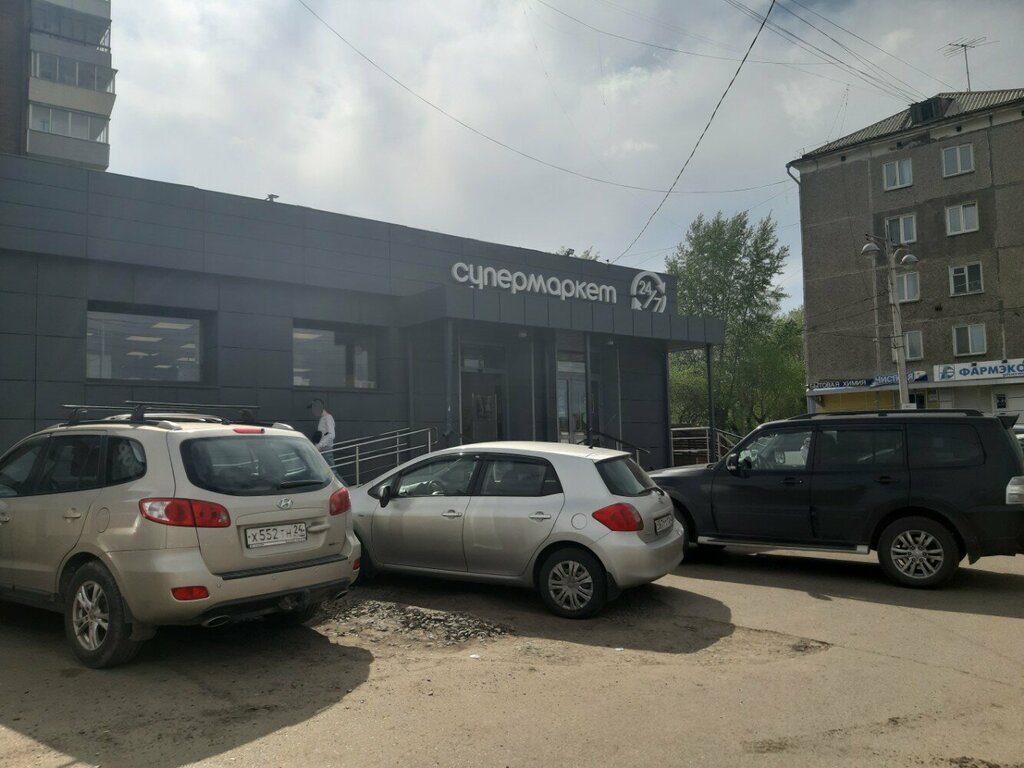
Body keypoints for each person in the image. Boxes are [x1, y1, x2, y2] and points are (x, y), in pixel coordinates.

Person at [309, 398, 336, 463]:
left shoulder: (328, 418)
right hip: (322, 449)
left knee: (330, 468)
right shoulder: (323, 418)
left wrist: (319, 445)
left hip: (325, 450)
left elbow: (331, 435)